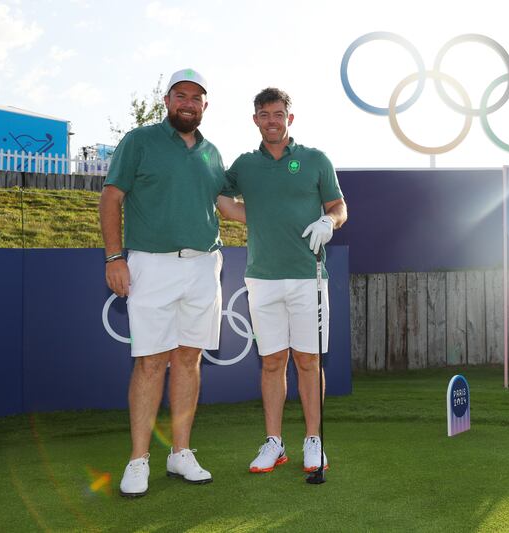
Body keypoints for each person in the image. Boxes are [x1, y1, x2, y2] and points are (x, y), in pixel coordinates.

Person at [99, 68, 241, 497]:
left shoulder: (212, 153)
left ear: (204, 106)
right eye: (182, 95)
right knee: (150, 362)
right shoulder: (139, 141)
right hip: (150, 264)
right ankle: (138, 459)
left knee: (189, 359)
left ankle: (180, 453)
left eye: (196, 98)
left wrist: (292, 214)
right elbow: (112, 196)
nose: (188, 103)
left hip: (203, 265)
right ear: (167, 100)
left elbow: (229, 208)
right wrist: (113, 257)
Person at [223, 87, 347, 476]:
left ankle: (314, 439)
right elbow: (224, 202)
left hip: (308, 279)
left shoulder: (315, 160)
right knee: (272, 362)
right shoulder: (244, 165)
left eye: (278, 114)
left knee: (308, 361)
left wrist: (330, 222)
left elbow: (338, 206)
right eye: (264, 114)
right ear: (255, 119)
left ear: (289, 119)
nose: (272, 120)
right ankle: (274, 443)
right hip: (262, 278)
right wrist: (256, 218)